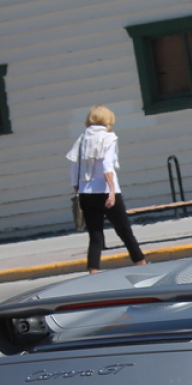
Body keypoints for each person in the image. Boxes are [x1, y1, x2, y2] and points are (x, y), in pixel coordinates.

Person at [67, 104, 146, 273]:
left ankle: (93, 271)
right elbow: (107, 165)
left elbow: (74, 169)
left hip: (86, 193)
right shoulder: (108, 138)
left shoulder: (80, 139)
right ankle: (140, 263)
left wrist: (78, 192)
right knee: (124, 231)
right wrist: (111, 192)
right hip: (106, 191)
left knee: (95, 235)